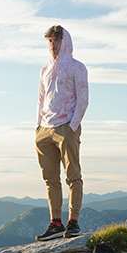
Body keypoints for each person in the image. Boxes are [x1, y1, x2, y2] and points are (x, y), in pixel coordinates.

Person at [34, 25, 88, 241]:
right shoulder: (44, 70)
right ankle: (56, 223)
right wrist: (38, 126)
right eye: (49, 41)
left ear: (65, 42)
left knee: (73, 175)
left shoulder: (77, 67)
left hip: (66, 126)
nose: (53, 45)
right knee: (50, 178)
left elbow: (83, 98)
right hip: (45, 130)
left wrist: (72, 126)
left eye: (56, 40)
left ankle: (73, 222)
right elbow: (40, 99)